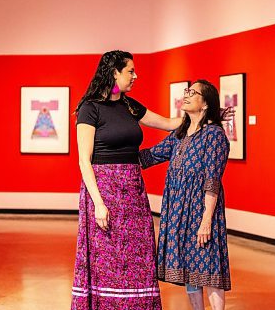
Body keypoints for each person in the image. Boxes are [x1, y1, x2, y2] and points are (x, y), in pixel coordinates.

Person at [71, 50, 187, 310]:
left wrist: (205, 116)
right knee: (106, 255)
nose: (136, 76)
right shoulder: (90, 108)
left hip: (133, 192)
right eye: (130, 71)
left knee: (138, 253)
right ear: (114, 73)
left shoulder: (130, 105)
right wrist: (98, 204)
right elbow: (83, 161)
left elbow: (170, 124)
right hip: (104, 191)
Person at [140, 80, 231, 310]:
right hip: (179, 212)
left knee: (209, 268)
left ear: (205, 104)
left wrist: (206, 220)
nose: (187, 95)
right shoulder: (179, 135)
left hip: (201, 212)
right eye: (187, 91)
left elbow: (212, 180)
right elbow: (150, 157)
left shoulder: (214, 135)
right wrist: (113, 151)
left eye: (193, 92)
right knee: (190, 270)